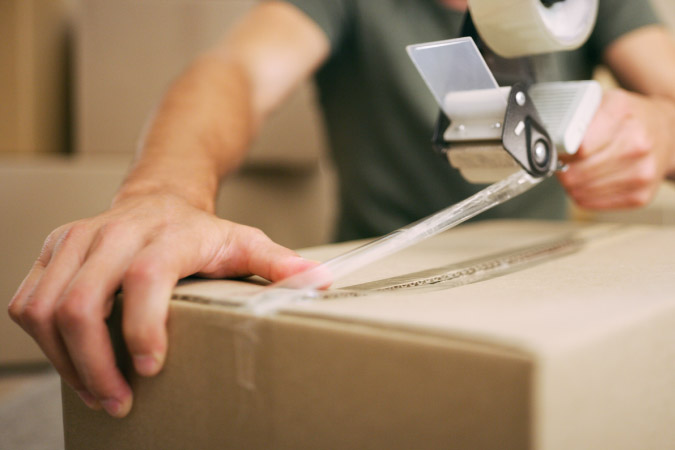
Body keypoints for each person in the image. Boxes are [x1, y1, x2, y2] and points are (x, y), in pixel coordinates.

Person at [8, 0, 675, 418]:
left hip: (552, 290)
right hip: (371, 296)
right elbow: (235, 72)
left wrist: (658, 131)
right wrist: (163, 192)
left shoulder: (586, 6)